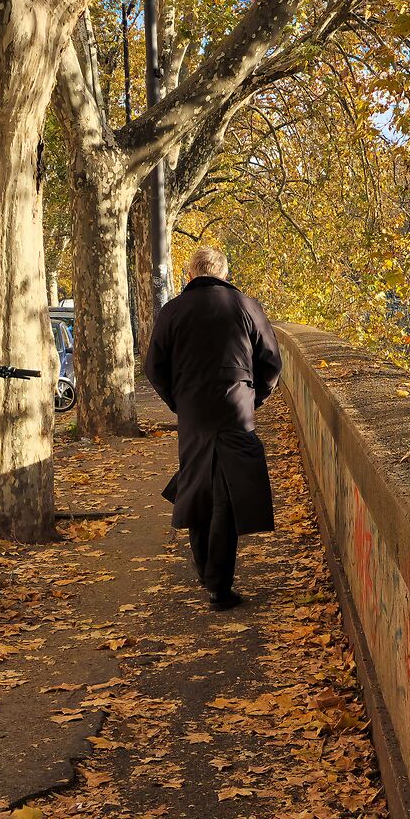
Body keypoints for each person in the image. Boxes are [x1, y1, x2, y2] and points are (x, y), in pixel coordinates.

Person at [143, 243, 282, 609]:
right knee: (228, 495)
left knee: (198, 488)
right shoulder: (246, 306)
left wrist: (179, 401)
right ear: (223, 273)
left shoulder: (173, 310)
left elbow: (153, 367)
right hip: (236, 408)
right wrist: (254, 398)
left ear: (190, 274)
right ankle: (218, 585)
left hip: (194, 412)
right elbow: (271, 362)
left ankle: (207, 571)